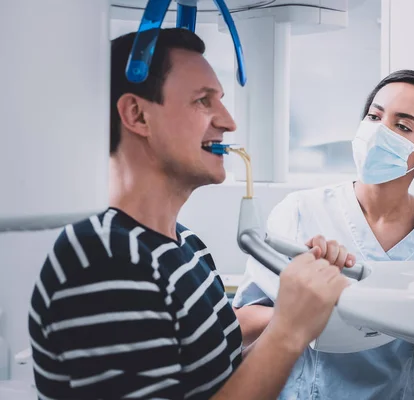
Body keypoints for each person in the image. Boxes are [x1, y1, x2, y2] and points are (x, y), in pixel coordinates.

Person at [27, 28, 352, 400]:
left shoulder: (185, 244)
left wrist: (304, 307)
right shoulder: (103, 261)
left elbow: (215, 380)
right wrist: (289, 331)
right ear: (137, 115)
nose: (229, 121)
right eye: (202, 101)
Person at [233, 70, 414, 399]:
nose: (379, 132)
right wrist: (307, 308)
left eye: (402, 126)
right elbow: (241, 325)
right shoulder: (300, 211)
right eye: (374, 116)